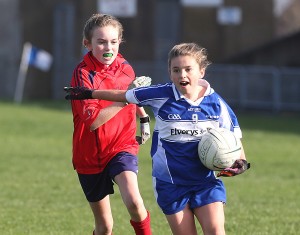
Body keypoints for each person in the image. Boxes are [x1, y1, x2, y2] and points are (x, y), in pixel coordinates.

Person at [65, 42, 251, 235]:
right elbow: (125, 95)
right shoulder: (161, 94)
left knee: (216, 231)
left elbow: (234, 138)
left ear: (201, 72)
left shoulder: (217, 104)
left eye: (188, 69)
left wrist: (241, 162)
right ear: (170, 73)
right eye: (176, 70)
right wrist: (89, 93)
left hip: (205, 182)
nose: (182, 75)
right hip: (170, 183)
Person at [66, 13, 152, 235]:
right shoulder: (82, 75)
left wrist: (143, 117)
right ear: (87, 43)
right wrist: (127, 98)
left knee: (134, 202)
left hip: (121, 146)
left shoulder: (125, 67)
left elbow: (133, 95)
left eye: (113, 42)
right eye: (101, 41)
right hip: (89, 155)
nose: (109, 47)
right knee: (105, 227)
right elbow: (94, 121)